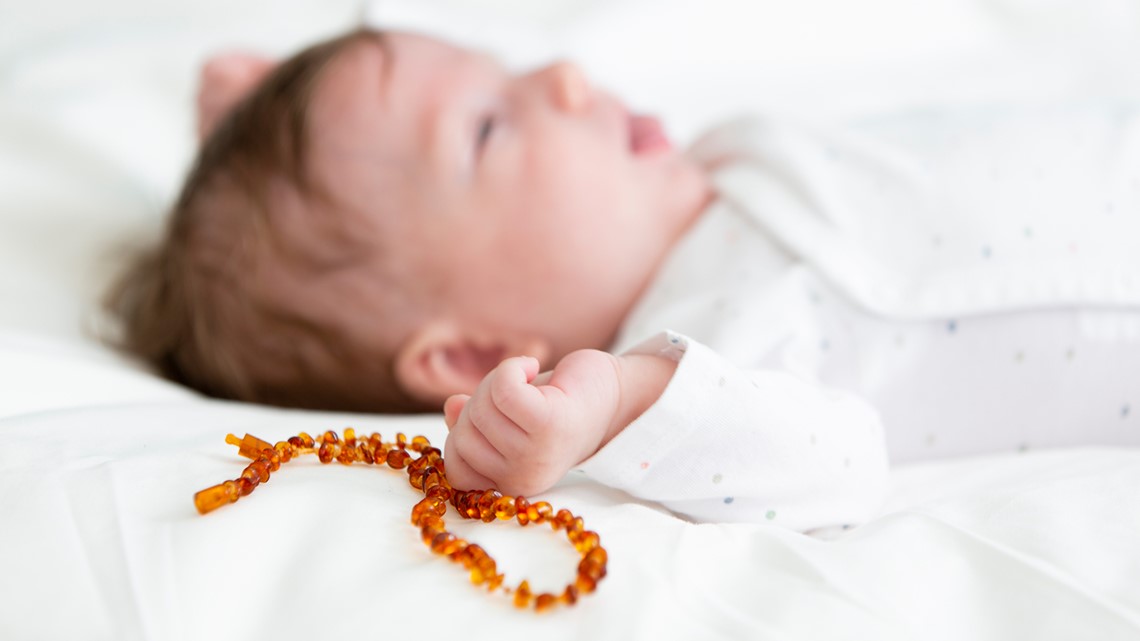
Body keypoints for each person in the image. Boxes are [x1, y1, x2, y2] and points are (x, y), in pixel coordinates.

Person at [109, 28, 1140, 531]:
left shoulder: (718, 165)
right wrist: (615, 401)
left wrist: (255, 132)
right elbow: (836, 455)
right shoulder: (705, 339)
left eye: (504, 68)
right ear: (471, 353)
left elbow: (349, 203)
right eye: (490, 126)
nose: (562, 74)